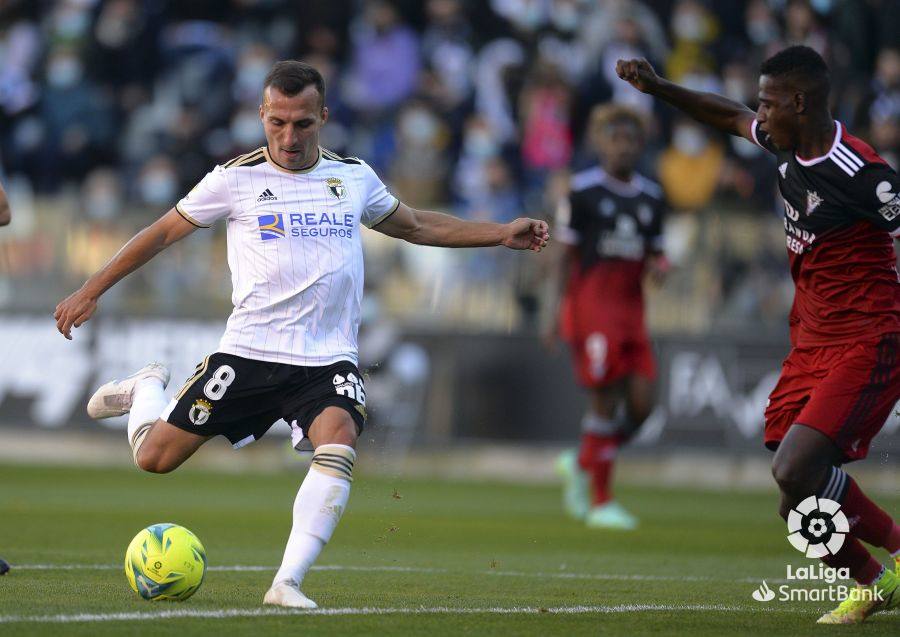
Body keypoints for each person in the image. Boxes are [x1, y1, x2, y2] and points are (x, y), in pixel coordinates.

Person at [54, 60, 549, 610]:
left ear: (324, 117)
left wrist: (499, 232)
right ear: (262, 114)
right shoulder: (233, 179)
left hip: (328, 359)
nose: (289, 137)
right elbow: (161, 233)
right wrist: (92, 289)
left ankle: (286, 582)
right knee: (154, 459)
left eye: (303, 124)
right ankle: (147, 387)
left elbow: (416, 225)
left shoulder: (353, 177)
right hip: (247, 354)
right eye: (278, 123)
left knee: (339, 437)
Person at [616, 45, 900, 625]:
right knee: (796, 498)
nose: (759, 115)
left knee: (795, 471)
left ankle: (893, 557)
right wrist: (659, 87)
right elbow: (725, 116)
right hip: (813, 341)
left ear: (800, 102)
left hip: (869, 338)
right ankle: (875, 583)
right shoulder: (785, 140)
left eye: (768, 104)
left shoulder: (862, 173)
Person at [549, 103, 668, 531]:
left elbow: (658, 252)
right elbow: (565, 258)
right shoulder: (582, 193)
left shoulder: (652, 197)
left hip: (633, 312)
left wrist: (661, 267)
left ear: (640, 145)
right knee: (605, 399)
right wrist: (552, 315)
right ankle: (601, 501)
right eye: (614, 138)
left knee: (642, 407)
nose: (622, 147)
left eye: (630, 139)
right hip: (593, 309)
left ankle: (581, 461)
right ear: (600, 142)